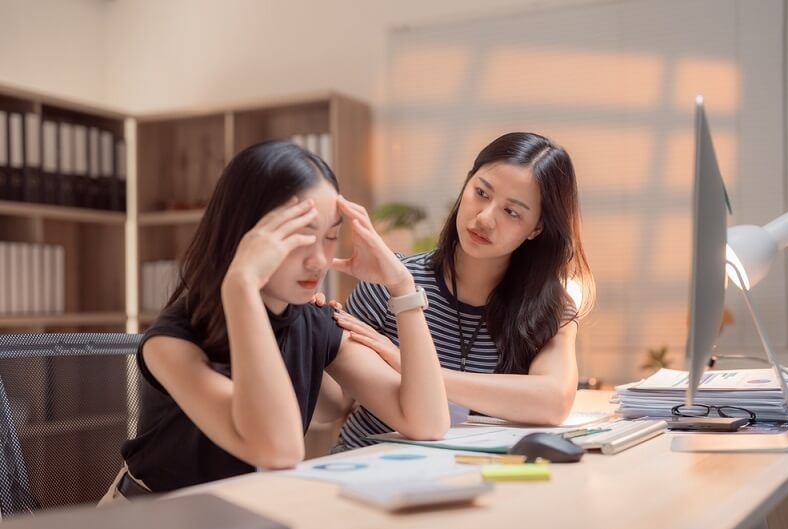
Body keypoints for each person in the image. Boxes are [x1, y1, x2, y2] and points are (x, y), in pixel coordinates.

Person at [101, 140, 449, 502]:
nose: (318, 260)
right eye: (299, 236)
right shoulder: (171, 342)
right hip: (153, 517)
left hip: (244, 514)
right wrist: (242, 286)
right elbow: (278, 450)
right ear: (247, 235)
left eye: (330, 236)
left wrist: (402, 286)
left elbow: (427, 421)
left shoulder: (312, 319)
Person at [327, 131, 594, 451]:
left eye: (512, 212)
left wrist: (409, 365)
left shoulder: (548, 309)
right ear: (467, 183)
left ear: (536, 228)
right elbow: (334, 405)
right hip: (363, 466)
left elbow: (553, 401)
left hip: (471, 480)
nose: (484, 218)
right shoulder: (391, 281)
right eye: (481, 193)